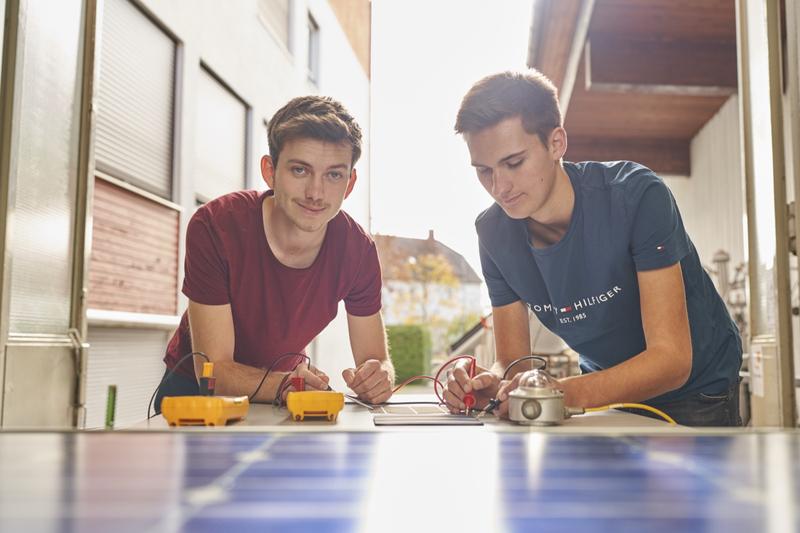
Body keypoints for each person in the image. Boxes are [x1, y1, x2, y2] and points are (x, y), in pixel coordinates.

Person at [443, 70, 742, 426]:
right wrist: (492, 384)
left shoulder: (637, 197)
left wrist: (565, 392)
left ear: (556, 143)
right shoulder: (492, 232)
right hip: (604, 392)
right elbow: (513, 364)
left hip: (696, 391)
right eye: (483, 170)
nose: (499, 186)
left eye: (513, 163)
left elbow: (672, 360)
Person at [156, 95, 394, 412]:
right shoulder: (216, 225)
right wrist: (288, 385)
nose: (316, 193)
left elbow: (377, 362)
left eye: (334, 175)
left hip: (285, 393)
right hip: (195, 393)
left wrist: (380, 379)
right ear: (270, 171)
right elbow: (214, 373)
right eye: (299, 170)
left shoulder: (358, 251)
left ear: (349, 183)